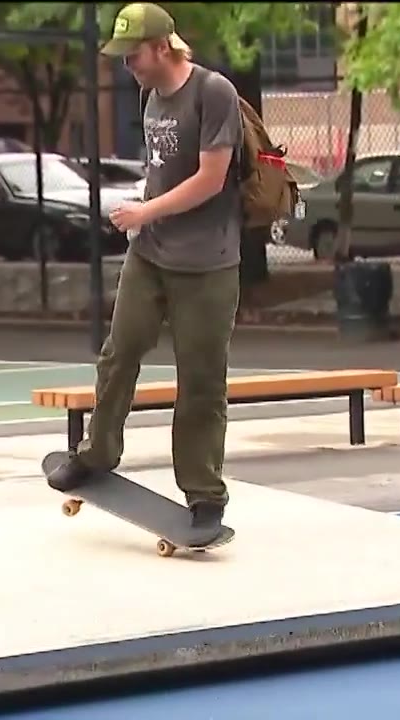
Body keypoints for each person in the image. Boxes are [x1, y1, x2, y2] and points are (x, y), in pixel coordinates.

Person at [46, 2, 244, 541]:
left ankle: (204, 495)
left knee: (201, 381)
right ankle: (97, 454)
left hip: (207, 264)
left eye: (132, 55)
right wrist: (143, 210)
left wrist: (146, 212)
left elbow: (211, 179)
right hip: (151, 254)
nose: (127, 65)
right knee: (119, 352)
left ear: (162, 47)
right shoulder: (147, 94)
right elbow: (162, 170)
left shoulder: (213, 93)